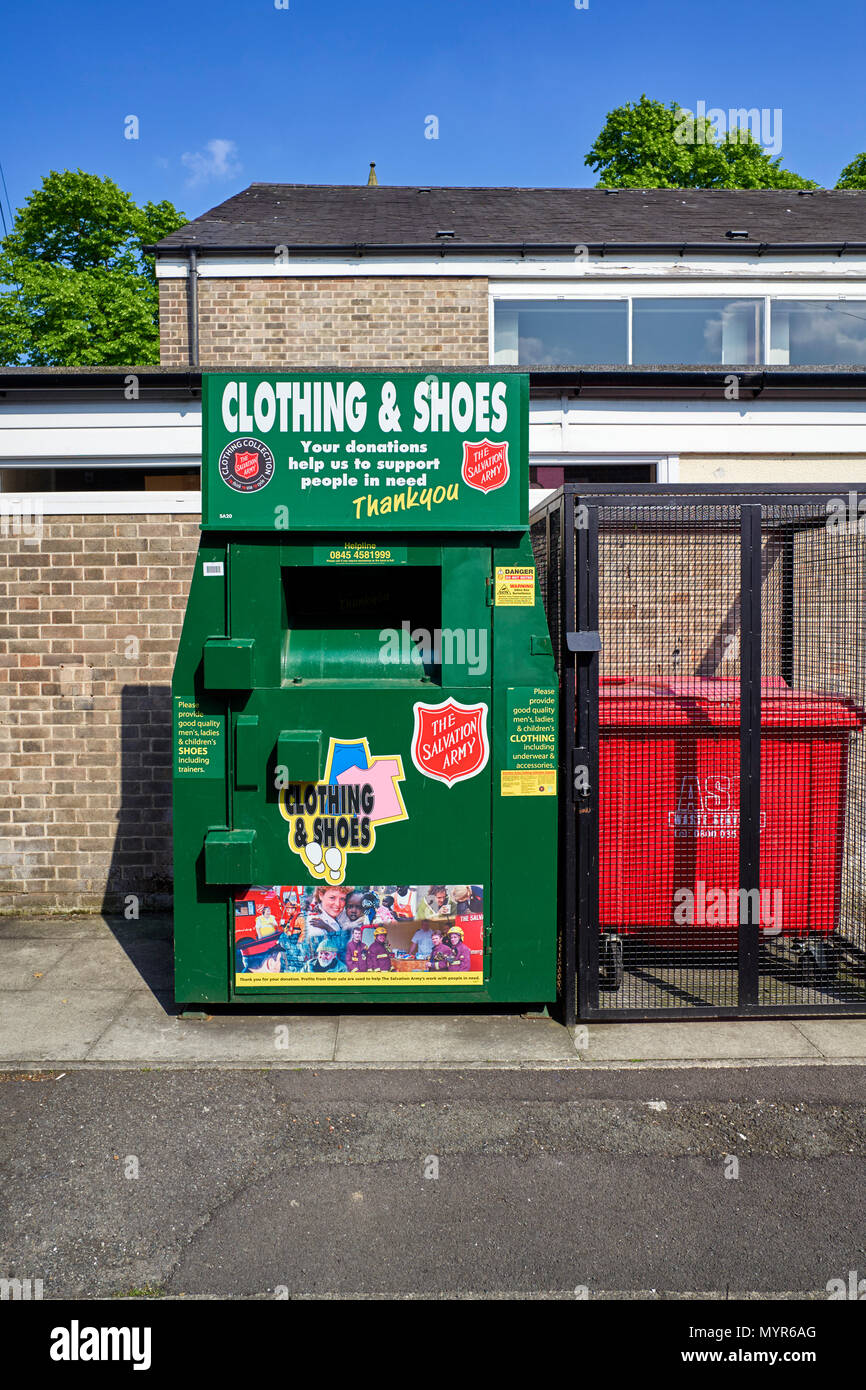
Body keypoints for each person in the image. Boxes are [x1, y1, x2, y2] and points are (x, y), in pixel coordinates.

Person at [306, 886, 352, 961]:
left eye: (342, 899)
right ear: (321, 895)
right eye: (332, 898)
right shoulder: (315, 923)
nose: (337, 904)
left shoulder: (339, 915)